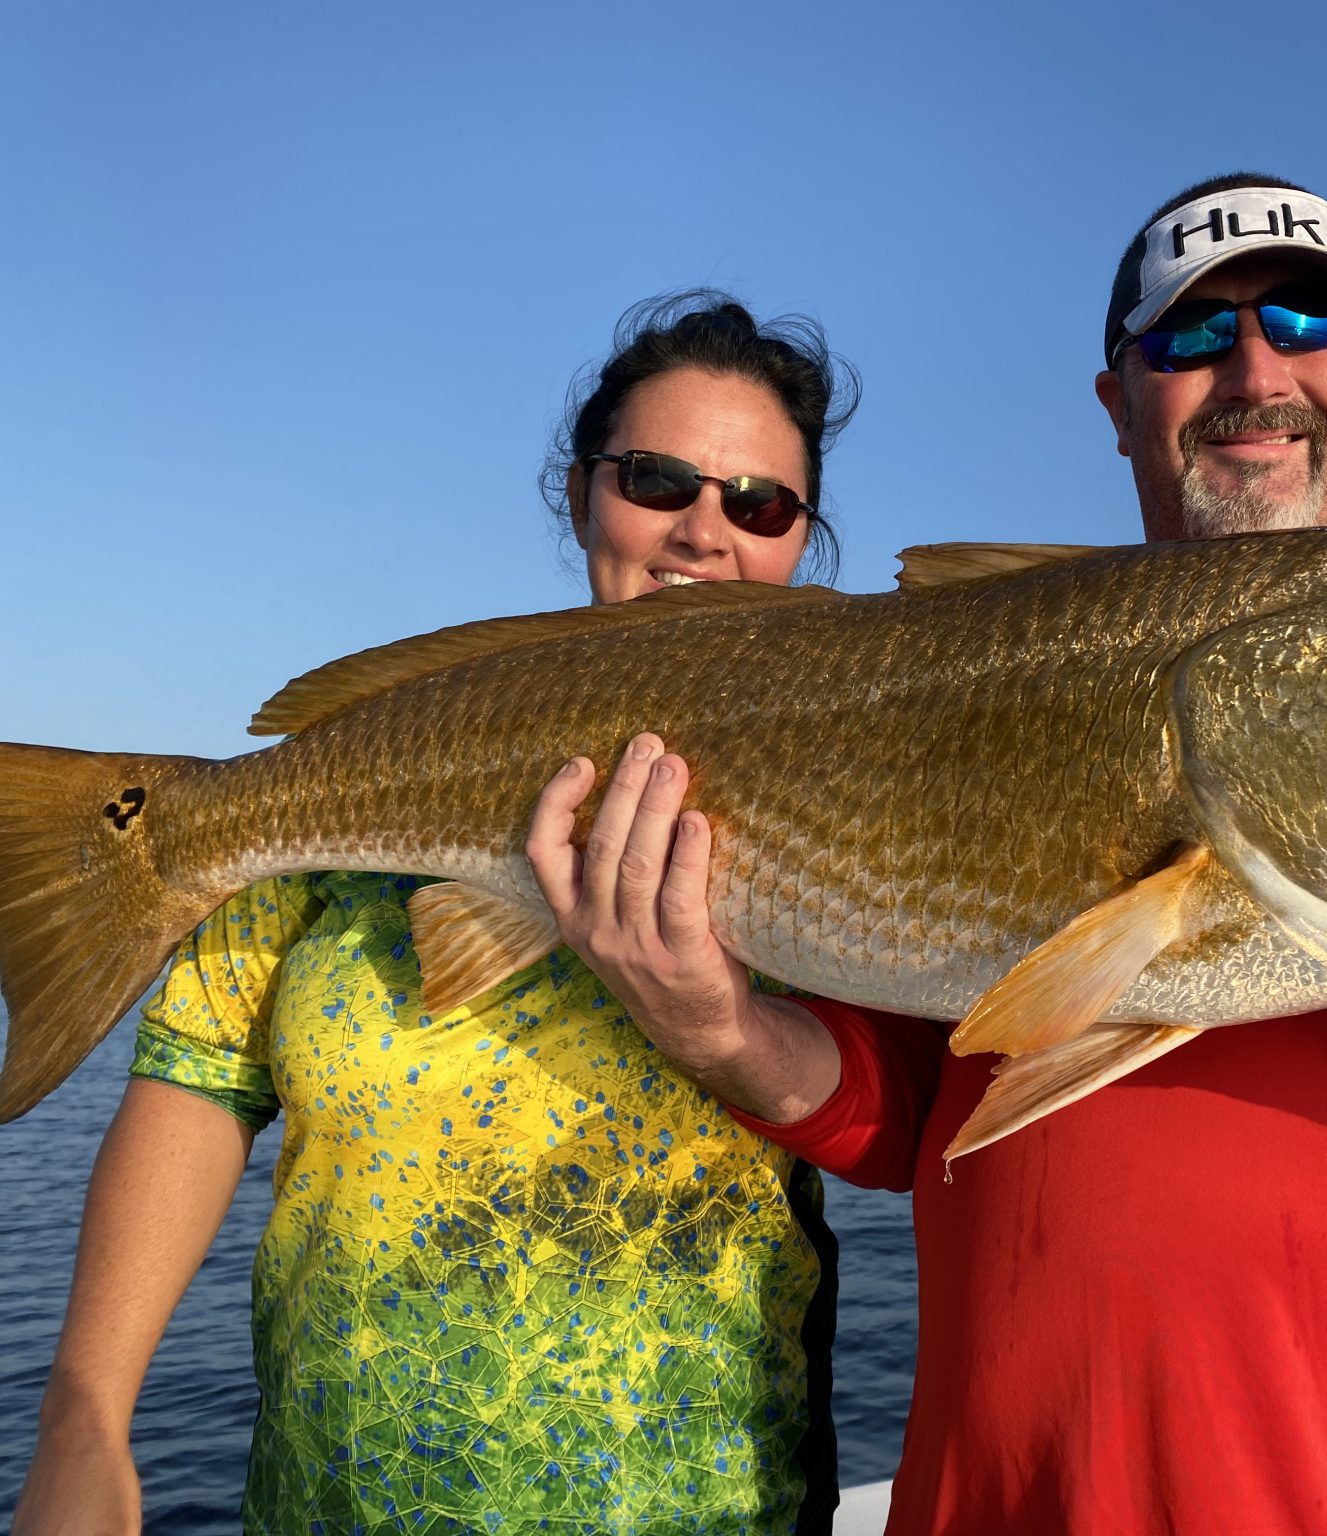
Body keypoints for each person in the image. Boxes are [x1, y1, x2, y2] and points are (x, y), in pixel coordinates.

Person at [530, 178, 1327, 1535]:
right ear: (1119, 404)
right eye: (1191, 338)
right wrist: (727, 1034)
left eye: (1308, 318)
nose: (1256, 369)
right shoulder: (972, 687)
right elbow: (914, 1116)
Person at [15, 292, 859, 1536]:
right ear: (581, 493)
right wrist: (82, 1416)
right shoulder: (362, 776)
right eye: (656, 478)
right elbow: (196, 1090)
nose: (703, 527)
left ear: (799, 544)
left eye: (760, 503)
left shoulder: (873, 790)